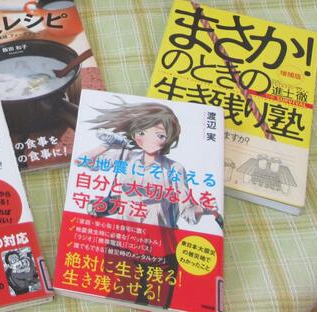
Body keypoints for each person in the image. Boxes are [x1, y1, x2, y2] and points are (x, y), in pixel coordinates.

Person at [79, 98, 221, 308]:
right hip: (122, 246)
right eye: (142, 132)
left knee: (157, 304)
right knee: (120, 301)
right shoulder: (125, 157)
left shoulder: (174, 169)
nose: (149, 139)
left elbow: (187, 212)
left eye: (160, 135)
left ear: (168, 138)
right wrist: (106, 145)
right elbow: (82, 161)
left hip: (160, 251)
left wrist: (207, 209)